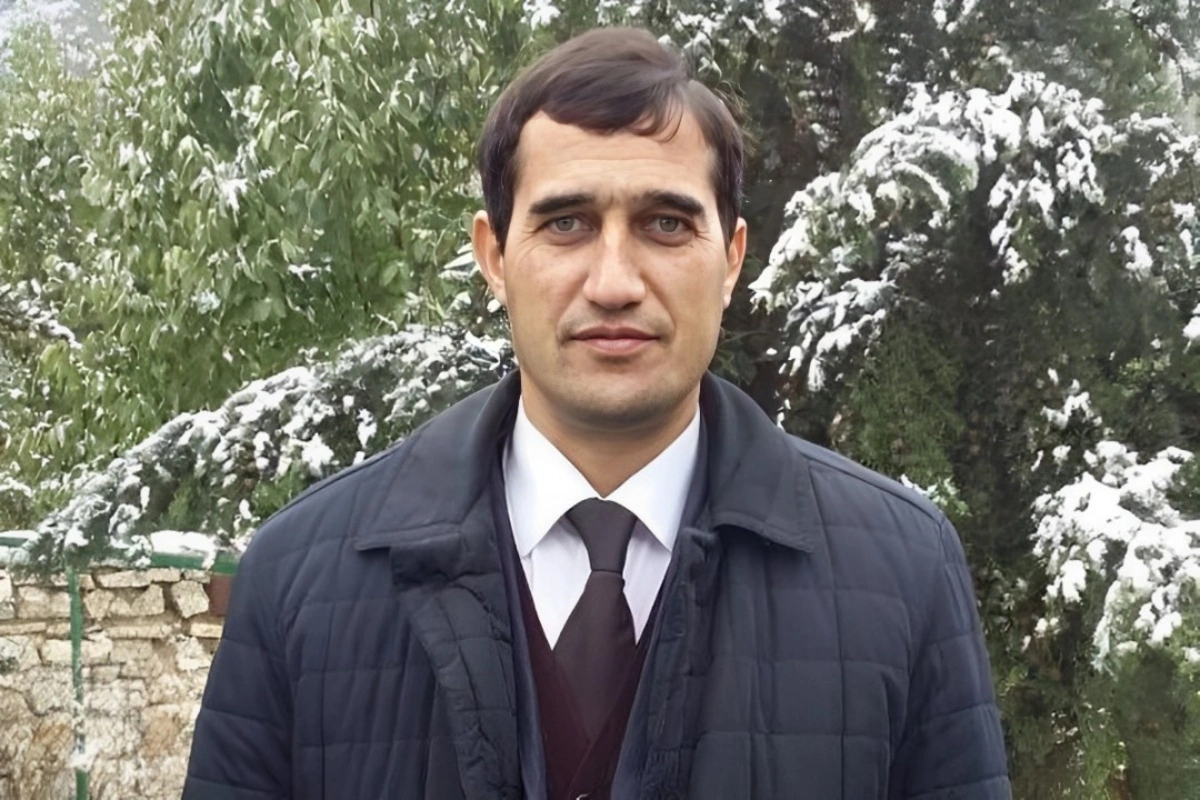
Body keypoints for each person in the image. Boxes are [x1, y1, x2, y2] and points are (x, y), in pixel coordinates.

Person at [183, 27, 1010, 800]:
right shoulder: (299, 581)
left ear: (731, 259)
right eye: (567, 223)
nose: (614, 283)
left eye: (666, 223)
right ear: (494, 257)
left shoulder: (903, 575)